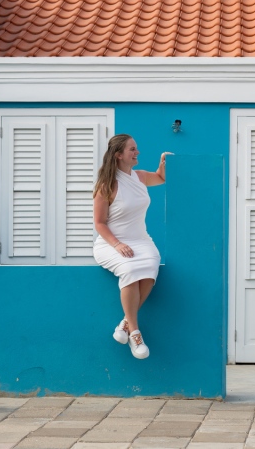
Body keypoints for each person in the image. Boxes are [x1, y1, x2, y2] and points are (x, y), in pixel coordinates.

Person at [93, 134, 170, 359]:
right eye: (132, 150)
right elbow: (99, 223)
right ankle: (135, 334)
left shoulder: (140, 177)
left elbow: (160, 177)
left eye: (136, 148)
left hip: (141, 240)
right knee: (129, 269)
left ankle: (125, 324)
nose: (137, 153)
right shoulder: (106, 186)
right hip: (111, 243)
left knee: (150, 266)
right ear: (118, 155)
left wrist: (163, 163)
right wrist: (117, 244)